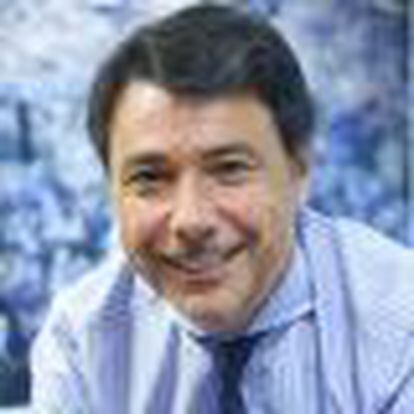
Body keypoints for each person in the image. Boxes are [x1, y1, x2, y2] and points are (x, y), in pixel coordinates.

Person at [31, 4, 414, 413]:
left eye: (229, 169)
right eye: (150, 177)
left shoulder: (400, 328)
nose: (191, 220)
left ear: (299, 170)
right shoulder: (82, 340)